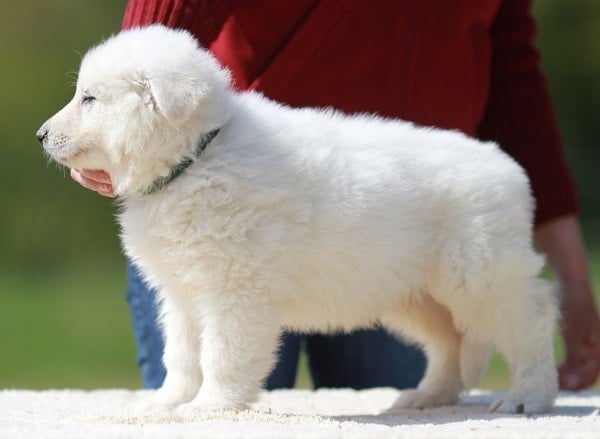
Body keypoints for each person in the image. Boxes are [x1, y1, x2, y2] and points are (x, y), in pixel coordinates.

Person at [72, 0, 600, 392]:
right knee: (206, 375)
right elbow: (162, 29)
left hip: (405, 201)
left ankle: (473, 375)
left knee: (425, 327)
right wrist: (122, 115)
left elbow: (512, 74)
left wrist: (572, 275)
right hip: (234, 164)